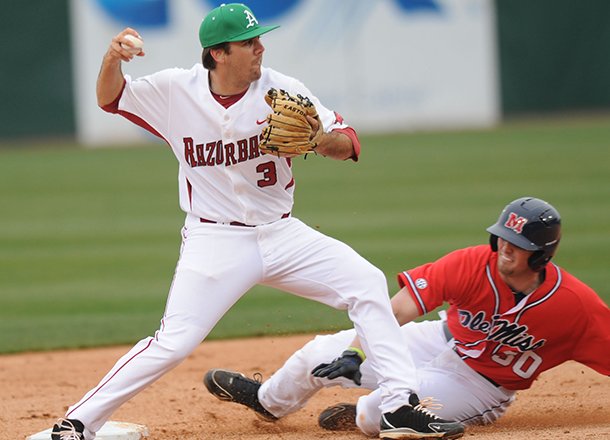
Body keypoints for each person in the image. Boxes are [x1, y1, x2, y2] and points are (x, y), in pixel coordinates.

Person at [50, 4, 464, 440]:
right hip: (214, 240)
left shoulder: (283, 90)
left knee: (366, 282)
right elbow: (110, 97)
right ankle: (77, 422)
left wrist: (320, 141)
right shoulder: (176, 90)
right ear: (218, 54)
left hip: (282, 233)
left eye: (258, 39)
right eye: (248, 42)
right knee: (173, 343)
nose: (260, 48)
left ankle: (399, 405)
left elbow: (349, 142)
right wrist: (112, 58)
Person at [204, 196, 610, 437]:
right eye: (503, 238)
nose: (505, 248)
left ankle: (367, 415)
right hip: (439, 339)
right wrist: (358, 352)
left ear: (541, 254)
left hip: (480, 384)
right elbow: (397, 309)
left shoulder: (574, 306)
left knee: (374, 414)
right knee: (319, 355)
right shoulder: (472, 264)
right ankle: (268, 401)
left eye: (518, 244)